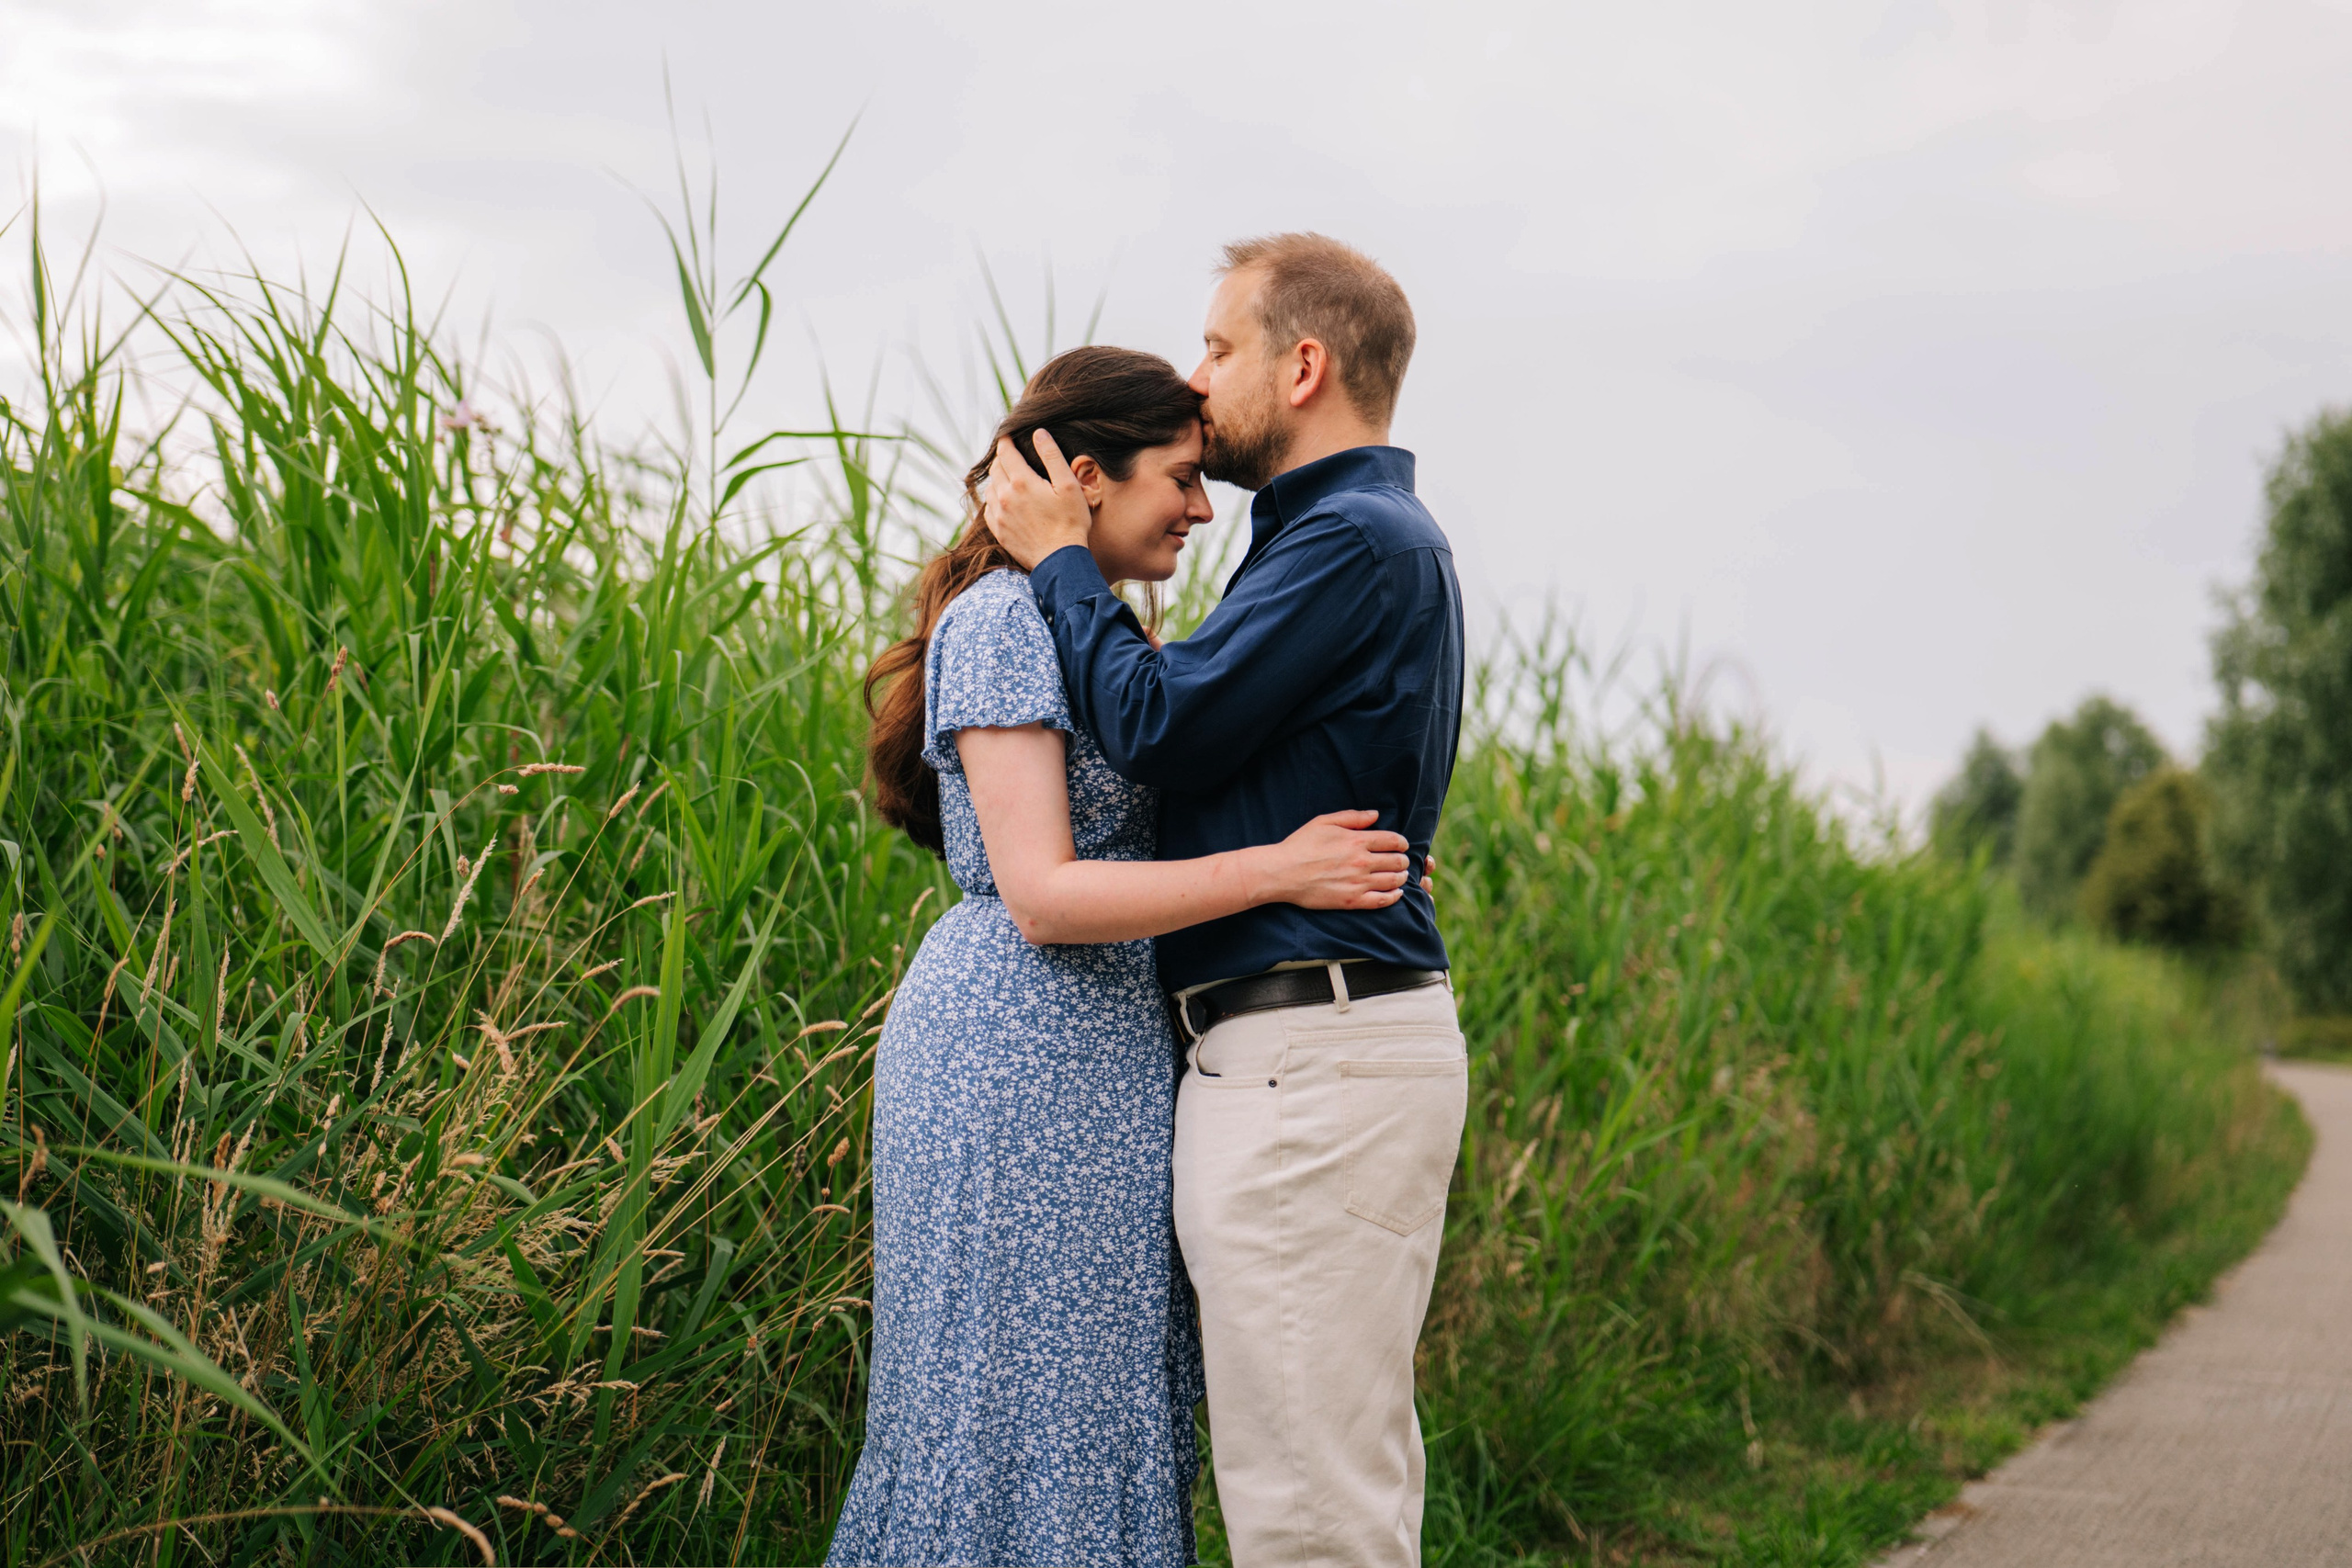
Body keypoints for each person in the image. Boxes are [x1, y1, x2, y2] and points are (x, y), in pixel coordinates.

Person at [828, 344, 1418, 1568]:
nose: (1205, 511)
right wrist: (1281, 870)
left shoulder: (1088, 619)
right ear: (1087, 478)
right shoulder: (999, 619)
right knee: (1013, 1411)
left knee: (1101, 1400)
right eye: (1185, 481)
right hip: (1013, 1046)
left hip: (1101, 1049)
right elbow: (1042, 893)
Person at [985, 232, 1467, 1568]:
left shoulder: (1353, 543)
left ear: (1302, 364)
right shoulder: (1342, 540)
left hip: (1310, 1063)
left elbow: (1162, 726)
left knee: (1311, 1518)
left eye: (1217, 346)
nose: (1196, 385)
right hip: (1307, 1049)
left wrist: (1060, 560)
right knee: (1318, 1490)